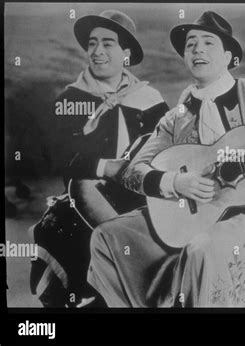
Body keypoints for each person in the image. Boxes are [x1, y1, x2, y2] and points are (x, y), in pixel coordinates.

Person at [87, 11, 245, 307]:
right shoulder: (175, 118)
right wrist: (174, 181)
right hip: (191, 216)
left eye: (208, 43)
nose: (198, 50)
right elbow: (133, 171)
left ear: (229, 56)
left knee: (200, 249)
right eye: (190, 44)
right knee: (107, 236)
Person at [30, 10, 169, 307]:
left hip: (140, 195)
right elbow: (59, 156)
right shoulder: (70, 99)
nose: (97, 51)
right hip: (87, 196)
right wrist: (107, 167)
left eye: (108, 43)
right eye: (92, 43)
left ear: (126, 54)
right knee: (63, 228)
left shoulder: (151, 100)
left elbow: (166, 149)